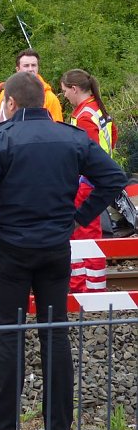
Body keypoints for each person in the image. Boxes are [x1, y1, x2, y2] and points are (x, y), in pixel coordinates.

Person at [0, 71, 126, 430]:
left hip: (11, 250)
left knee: (9, 335)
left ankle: (3, 429)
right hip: (55, 247)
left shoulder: (1, 139)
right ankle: (58, 429)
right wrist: (80, 217)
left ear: (11, 103)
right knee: (55, 333)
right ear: (43, 101)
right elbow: (114, 178)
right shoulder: (71, 137)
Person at [61, 68, 118, 293]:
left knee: (82, 237)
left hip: (85, 184)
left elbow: (85, 153)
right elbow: (113, 137)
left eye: (65, 91)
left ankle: (85, 290)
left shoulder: (84, 116)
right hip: (97, 182)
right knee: (90, 235)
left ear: (74, 89)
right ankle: (92, 287)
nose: (64, 95)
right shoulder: (97, 110)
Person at [0, 49, 63, 125]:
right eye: (26, 66)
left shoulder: (50, 98)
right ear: (18, 69)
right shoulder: (6, 93)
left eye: (33, 65)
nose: (30, 69)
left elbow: (57, 130)